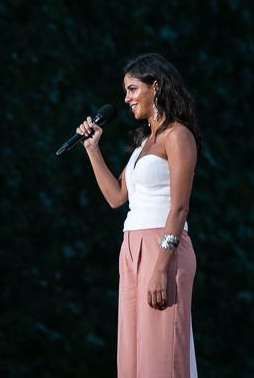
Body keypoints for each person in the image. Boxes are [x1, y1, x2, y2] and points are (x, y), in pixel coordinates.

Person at [76, 53, 201, 377]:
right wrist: (92, 149)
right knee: (133, 358)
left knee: (161, 357)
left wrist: (161, 267)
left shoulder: (178, 136)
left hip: (163, 248)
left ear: (155, 86)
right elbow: (116, 197)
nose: (126, 98)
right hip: (131, 249)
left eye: (132, 89)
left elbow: (180, 206)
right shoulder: (144, 142)